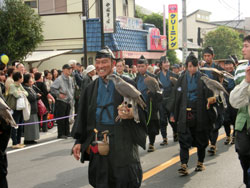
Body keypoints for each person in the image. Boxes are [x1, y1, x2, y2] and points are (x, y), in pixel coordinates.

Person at [72, 47, 147, 188]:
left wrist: (131, 114)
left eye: (105, 62)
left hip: (122, 138)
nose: (100, 66)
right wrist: (78, 141)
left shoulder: (126, 83)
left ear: (113, 64)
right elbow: (82, 116)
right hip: (99, 138)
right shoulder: (90, 88)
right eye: (98, 62)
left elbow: (142, 109)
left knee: (124, 180)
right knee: (101, 180)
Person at [170, 53, 216, 175]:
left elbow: (211, 94)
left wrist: (211, 100)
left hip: (199, 112)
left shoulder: (203, 77)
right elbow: (177, 97)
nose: (190, 69)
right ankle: (183, 164)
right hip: (185, 111)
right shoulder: (181, 78)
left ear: (197, 66)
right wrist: (173, 113)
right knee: (183, 138)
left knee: (201, 138)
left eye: (192, 66)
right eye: (188, 66)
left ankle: (200, 162)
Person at [229, 35, 250, 188]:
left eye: (246, 46)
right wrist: (246, 81)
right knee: (243, 153)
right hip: (243, 120)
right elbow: (235, 100)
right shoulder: (242, 69)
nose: (242, 49)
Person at [135, 55, 162, 152]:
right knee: (141, 125)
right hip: (140, 105)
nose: (140, 68)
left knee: (152, 125)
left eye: (142, 66)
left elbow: (160, 90)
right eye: (139, 66)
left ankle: (151, 143)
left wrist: (153, 93)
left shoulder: (153, 77)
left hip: (151, 104)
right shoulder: (136, 78)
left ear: (146, 66)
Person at [202, 46, 225, 155]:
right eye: (205, 56)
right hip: (206, 100)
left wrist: (221, 81)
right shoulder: (202, 69)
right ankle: (210, 142)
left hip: (216, 100)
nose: (207, 58)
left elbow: (224, 85)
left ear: (213, 56)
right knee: (207, 123)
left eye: (209, 56)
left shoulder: (218, 69)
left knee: (216, 123)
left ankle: (213, 144)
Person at [157, 56, 179, 145]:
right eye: (165, 62)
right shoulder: (157, 76)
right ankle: (164, 138)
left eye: (168, 62)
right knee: (162, 120)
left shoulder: (174, 75)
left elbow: (178, 89)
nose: (167, 64)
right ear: (161, 65)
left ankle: (175, 132)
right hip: (161, 101)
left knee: (172, 119)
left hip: (171, 101)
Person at [51, 64, 74, 139]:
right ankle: (61, 133)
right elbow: (52, 88)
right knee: (61, 118)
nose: (69, 70)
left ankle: (67, 132)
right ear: (63, 70)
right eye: (68, 69)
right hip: (61, 101)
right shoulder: (59, 79)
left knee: (67, 117)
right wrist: (58, 94)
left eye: (70, 69)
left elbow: (72, 88)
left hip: (68, 100)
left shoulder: (70, 78)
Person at [9, 72, 28, 149]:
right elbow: (16, 95)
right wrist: (21, 93)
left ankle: (19, 141)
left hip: (21, 107)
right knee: (15, 125)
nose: (22, 79)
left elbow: (26, 93)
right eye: (22, 77)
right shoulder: (12, 85)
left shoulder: (20, 85)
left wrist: (21, 92)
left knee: (20, 125)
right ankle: (15, 142)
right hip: (15, 108)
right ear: (18, 78)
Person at [23, 73, 40, 144]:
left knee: (34, 124)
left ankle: (33, 138)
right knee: (29, 124)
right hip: (29, 109)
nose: (32, 80)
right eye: (30, 78)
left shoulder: (31, 87)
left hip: (34, 108)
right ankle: (28, 139)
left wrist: (37, 95)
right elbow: (31, 97)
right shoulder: (25, 88)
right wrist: (37, 96)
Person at [223, 59, 237, 145]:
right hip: (226, 99)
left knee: (235, 118)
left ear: (234, 65)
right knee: (225, 120)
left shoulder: (237, 74)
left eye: (230, 64)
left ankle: (235, 136)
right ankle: (228, 136)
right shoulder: (223, 75)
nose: (228, 66)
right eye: (226, 65)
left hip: (235, 99)